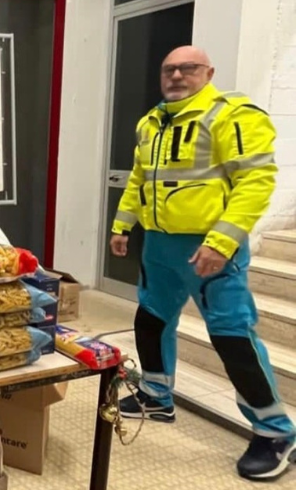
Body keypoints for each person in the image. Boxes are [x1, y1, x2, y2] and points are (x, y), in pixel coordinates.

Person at [110, 45, 295, 481]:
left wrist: (222, 241)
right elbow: (139, 179)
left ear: (207, 72)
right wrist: (122, 226)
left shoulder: (232, 114)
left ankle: (275, 432)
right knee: (151, 320)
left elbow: (256, 180)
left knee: (232, 337)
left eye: (187, 68)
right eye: (168, 69)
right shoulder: (150, 122)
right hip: (159, 245)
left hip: (210, 249)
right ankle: (156, 395)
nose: (176, 75)